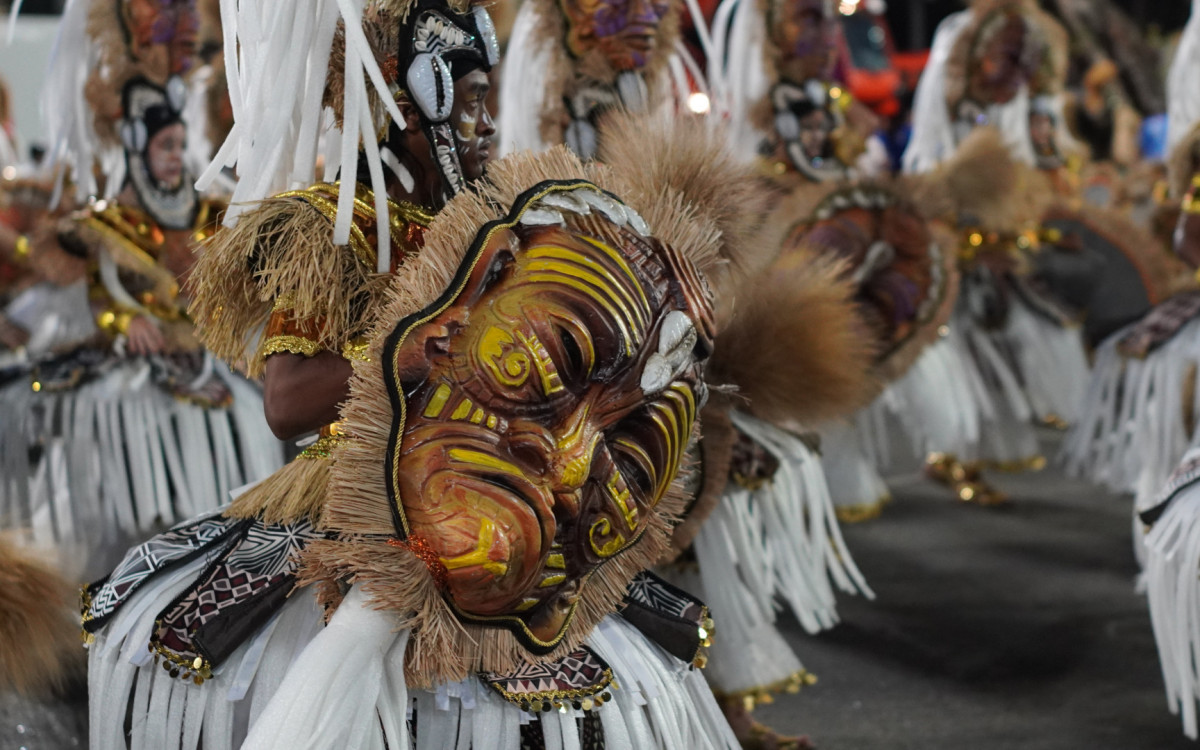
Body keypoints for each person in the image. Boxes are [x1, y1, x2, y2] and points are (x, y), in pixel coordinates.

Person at [85, 2, 746, 746]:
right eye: (470, 104)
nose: (490, 125)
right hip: (366, 500)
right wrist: (421, 342)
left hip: (509, 482)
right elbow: (285, 402)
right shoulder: (330, 224)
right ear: (408, 106)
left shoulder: (500, 222)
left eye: (490, 102)